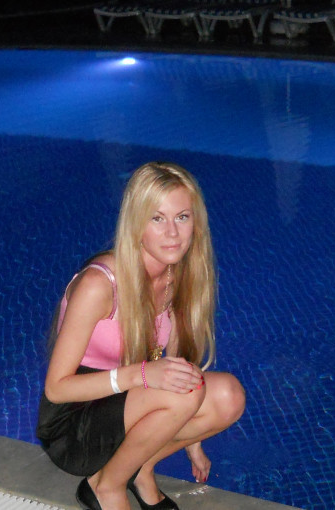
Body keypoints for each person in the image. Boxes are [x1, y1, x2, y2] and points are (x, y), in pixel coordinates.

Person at [37, 162, 246, 510]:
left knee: (228, 397)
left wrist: (193, 441)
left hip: (127, 401)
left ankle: (140, 468)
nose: (173, 233)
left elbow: (177, 363)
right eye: (157, 218)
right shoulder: (100, 285)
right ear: (136, 223)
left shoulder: (176, 275)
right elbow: (56, 389)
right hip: (74, 424)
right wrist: (143, 375)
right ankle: (106, 486)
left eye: (182, 217)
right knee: (187, 391)